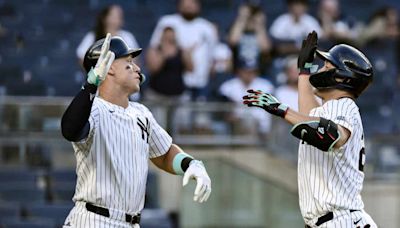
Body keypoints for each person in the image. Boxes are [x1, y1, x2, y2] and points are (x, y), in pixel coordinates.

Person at [61, 34, 211, 227]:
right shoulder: (95, 109)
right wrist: (91, 84)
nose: (138, 68)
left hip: (130, 222)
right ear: (110, 67)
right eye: (129, 63)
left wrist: (190, 164)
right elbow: (70, 130)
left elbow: (164, 154)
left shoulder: (141, 113)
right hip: (93, 219)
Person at [243, 31, 377, 227]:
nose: (321, 69)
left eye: (327, 65)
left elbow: (330, 135)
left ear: (341, 77)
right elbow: (310, 116)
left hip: (341, 220)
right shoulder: (330, 108)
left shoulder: (345, 105)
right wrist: (304, 71)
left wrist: (282, 109)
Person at [149, 0, 217, 101]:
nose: (188, 6)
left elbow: (213, 56)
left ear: (198, 5)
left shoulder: (207, 27)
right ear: (179, 5)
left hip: (201, 82)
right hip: (174, 82)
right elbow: (154, 47)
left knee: (200, 116)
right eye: (185, 3)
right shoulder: (167, 22)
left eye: (192, 3)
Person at [220, 58, 274, 135]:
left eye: (252, 71)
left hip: (261, 123)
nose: (249, 74)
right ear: (239, 71)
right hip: (237, 122)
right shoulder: (229, 86)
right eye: (246, 71)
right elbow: (224, 108)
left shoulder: (265, 85)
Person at [145, 26, 193, 101]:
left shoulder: (181, 51)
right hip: (157, 94)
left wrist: (187, 55)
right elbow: (153, 69)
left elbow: (191, 69)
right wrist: (164, 55)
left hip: (178, 94)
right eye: (167, 37)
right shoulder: (155, 50)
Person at [228, 0, 272, 75]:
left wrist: (259, 25)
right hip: (239, 73)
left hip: (257, 73)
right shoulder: (237, 28)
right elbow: (233, 41)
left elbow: (265, 49)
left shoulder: (262, 31)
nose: (251, 17)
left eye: (254, 13)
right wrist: (242, 18)